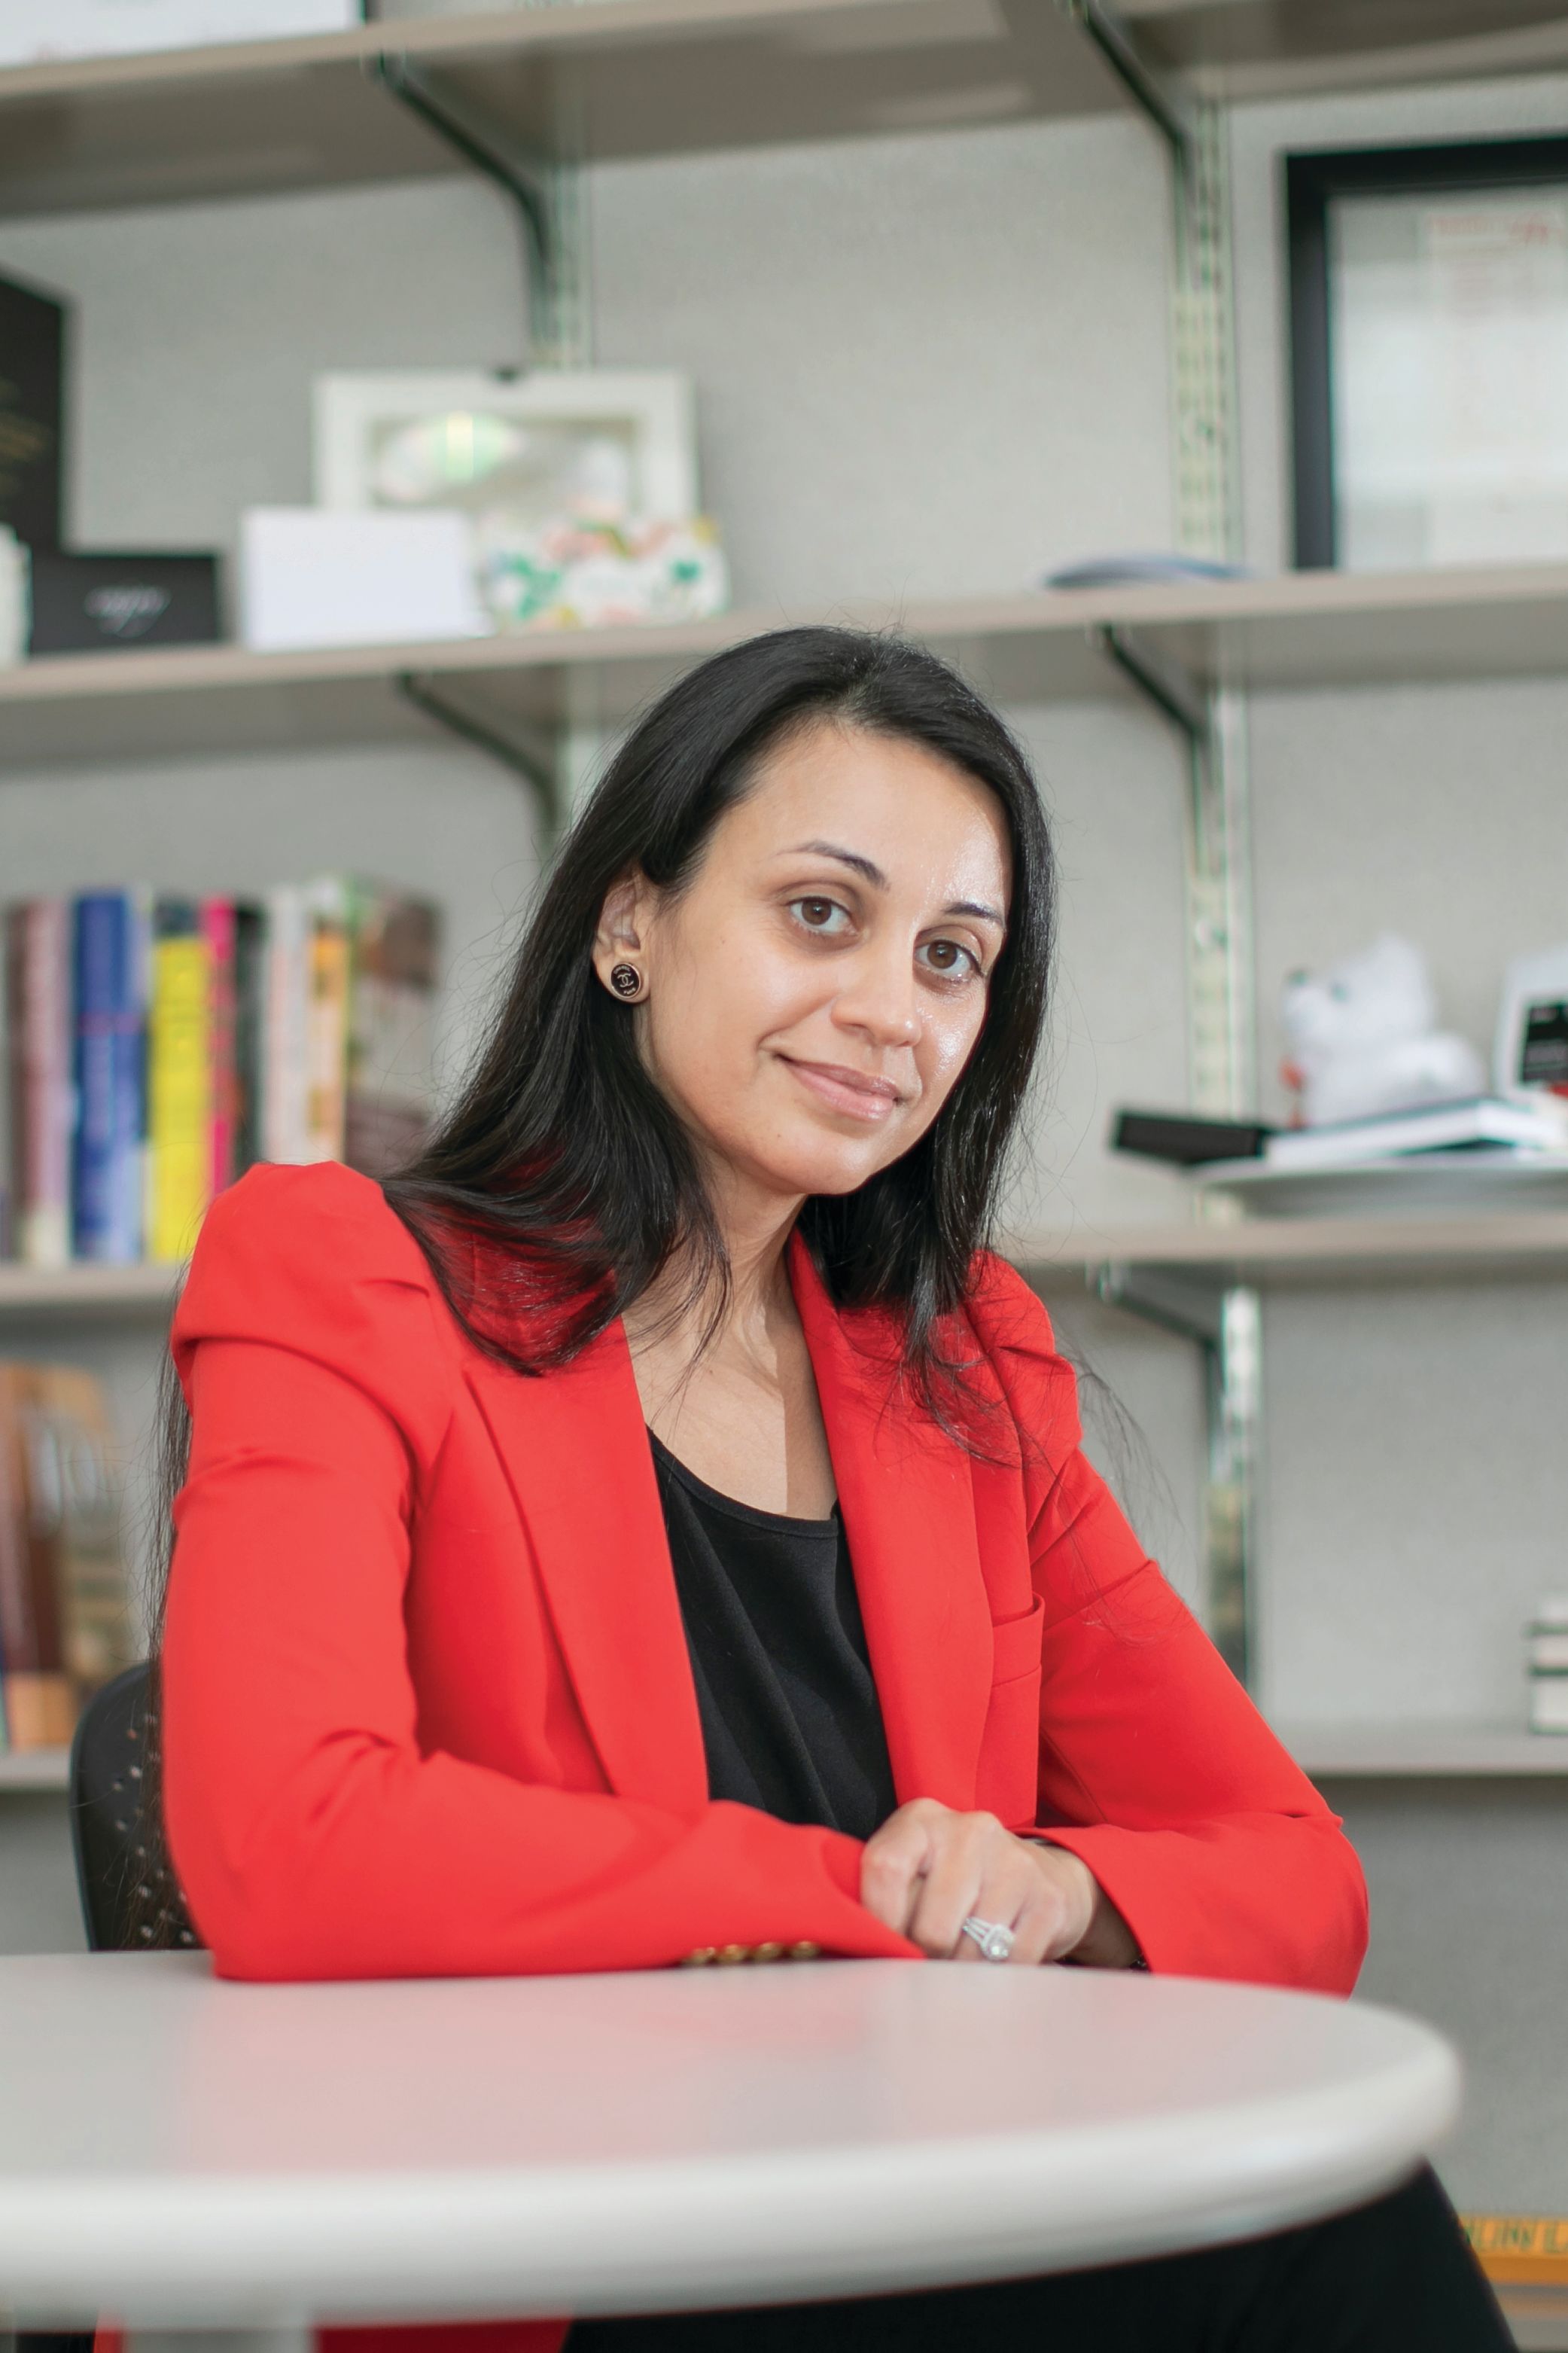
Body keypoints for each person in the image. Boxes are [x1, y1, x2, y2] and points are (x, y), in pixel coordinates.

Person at [151, 628, 1509, 2351]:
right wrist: (855, 1896)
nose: (892, 1008)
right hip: (545, 2244)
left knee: (1325, 2187)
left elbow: (1296, 1874)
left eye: (955, 957)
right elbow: (291, 1849)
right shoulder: (345, 1271)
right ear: (630, 924)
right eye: (821, 912)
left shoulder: (963, 1371)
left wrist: (1056, 1895)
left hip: (891, 2202)